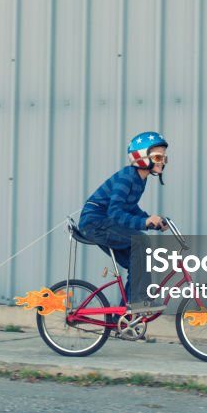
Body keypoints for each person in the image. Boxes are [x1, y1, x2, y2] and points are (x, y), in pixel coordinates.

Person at [78, 131, 170, 311]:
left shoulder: (140, 180)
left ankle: (123, 317)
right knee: (141, 241)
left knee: (135, 264)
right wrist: (144, 223)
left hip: (103, 223)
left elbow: (129, 207)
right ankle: (139, 301)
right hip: (95, 222)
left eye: (164, 157)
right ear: (141, 156)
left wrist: (152, 221)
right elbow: (114, 212)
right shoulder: (127, 176)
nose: (162, 161)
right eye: (158, 156)